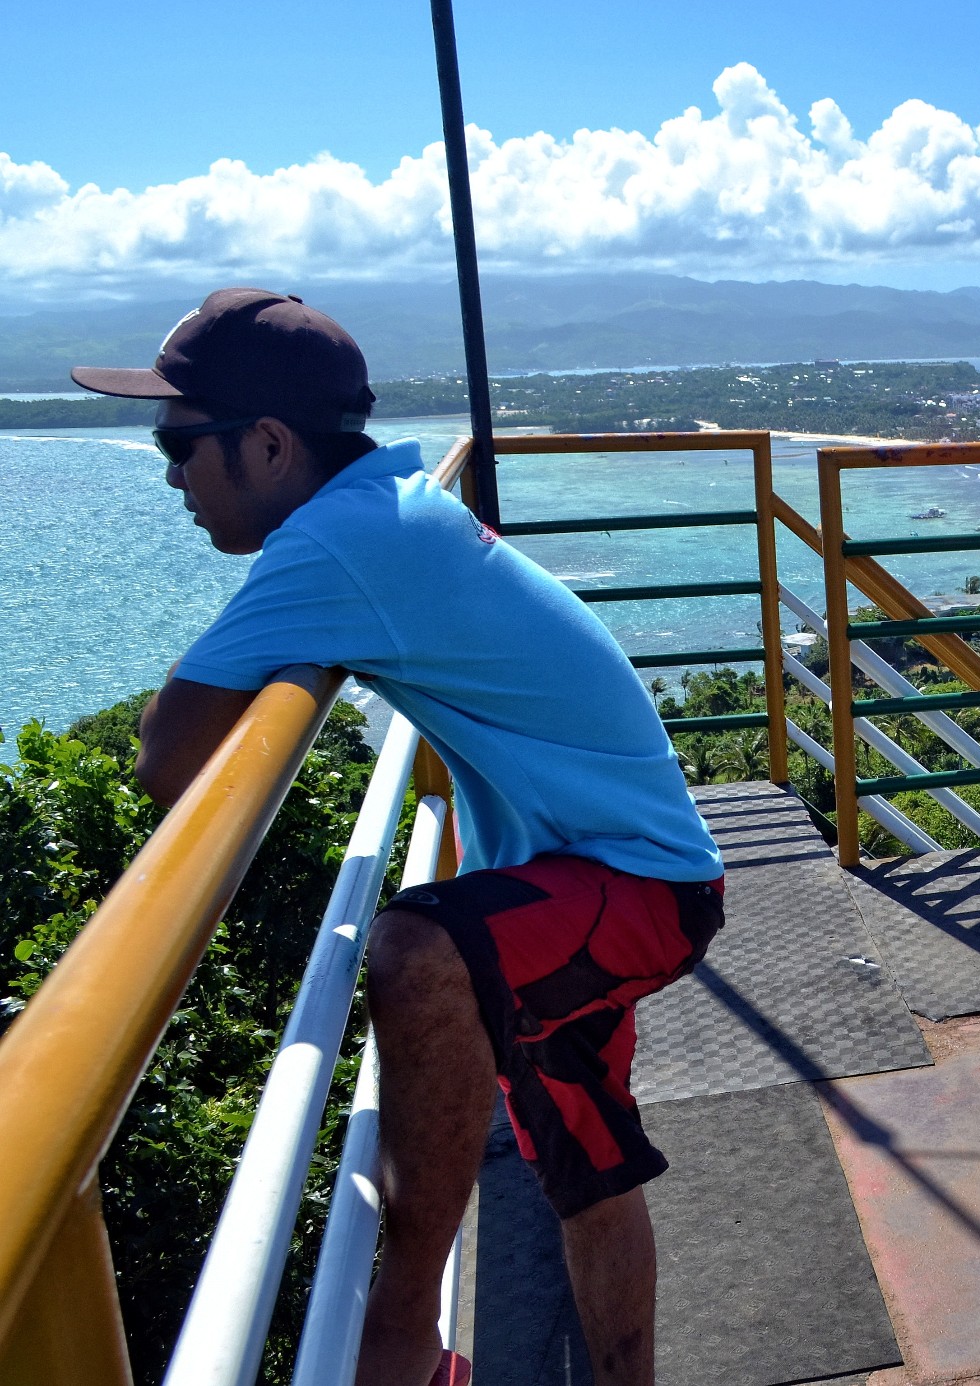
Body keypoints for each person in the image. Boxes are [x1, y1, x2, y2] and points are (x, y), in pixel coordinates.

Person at [74, 288, 723, 1386]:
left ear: (269, 444)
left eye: (177, 444)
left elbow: (165, 761)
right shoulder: (385, 503)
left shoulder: (340, 541)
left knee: (418, 953)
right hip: (601, 878)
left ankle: (400, 1337)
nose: (170, 474)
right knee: (589, 1172)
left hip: (629, 891)